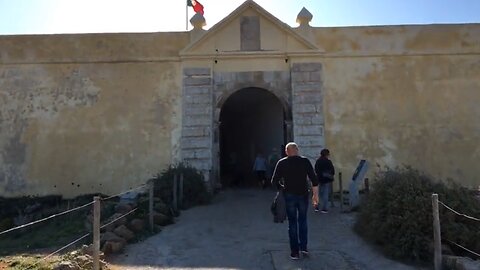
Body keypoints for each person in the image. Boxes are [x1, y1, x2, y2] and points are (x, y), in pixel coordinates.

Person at [271, 142, 319, 260]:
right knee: (303, 220)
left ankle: (294, 252)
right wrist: (315, 196)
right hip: (303, 194)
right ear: (297, 150)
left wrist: (281, 188)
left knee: (292, 222)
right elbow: (314, 179)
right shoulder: (305, 161)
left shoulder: (282, 162)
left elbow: (274, 181)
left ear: (286, 152)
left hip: (289, 195)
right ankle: (304, 247)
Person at [314, 148, 335, 213]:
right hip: (327, 179)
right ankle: (324, 208)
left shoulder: (318, 161)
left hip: (319, 179)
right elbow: (333, 171)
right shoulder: (328, 162)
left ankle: (317, 207)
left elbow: (316, 169)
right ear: (327, 154)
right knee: (325, 194)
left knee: (318, 193)